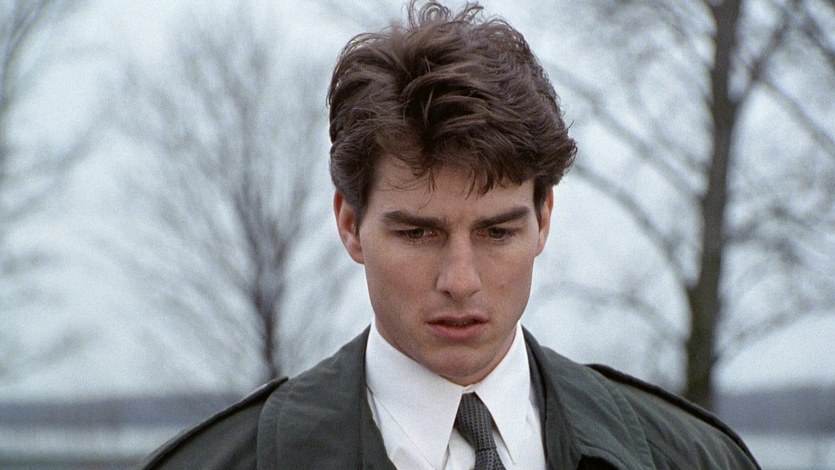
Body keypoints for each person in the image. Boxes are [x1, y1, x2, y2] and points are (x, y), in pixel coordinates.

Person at [142, 1, 760, 469]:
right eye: (418, 233)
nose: (460, 281)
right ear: (350, 224)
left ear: (543, 219)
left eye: (497, 232)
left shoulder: (693, 458)